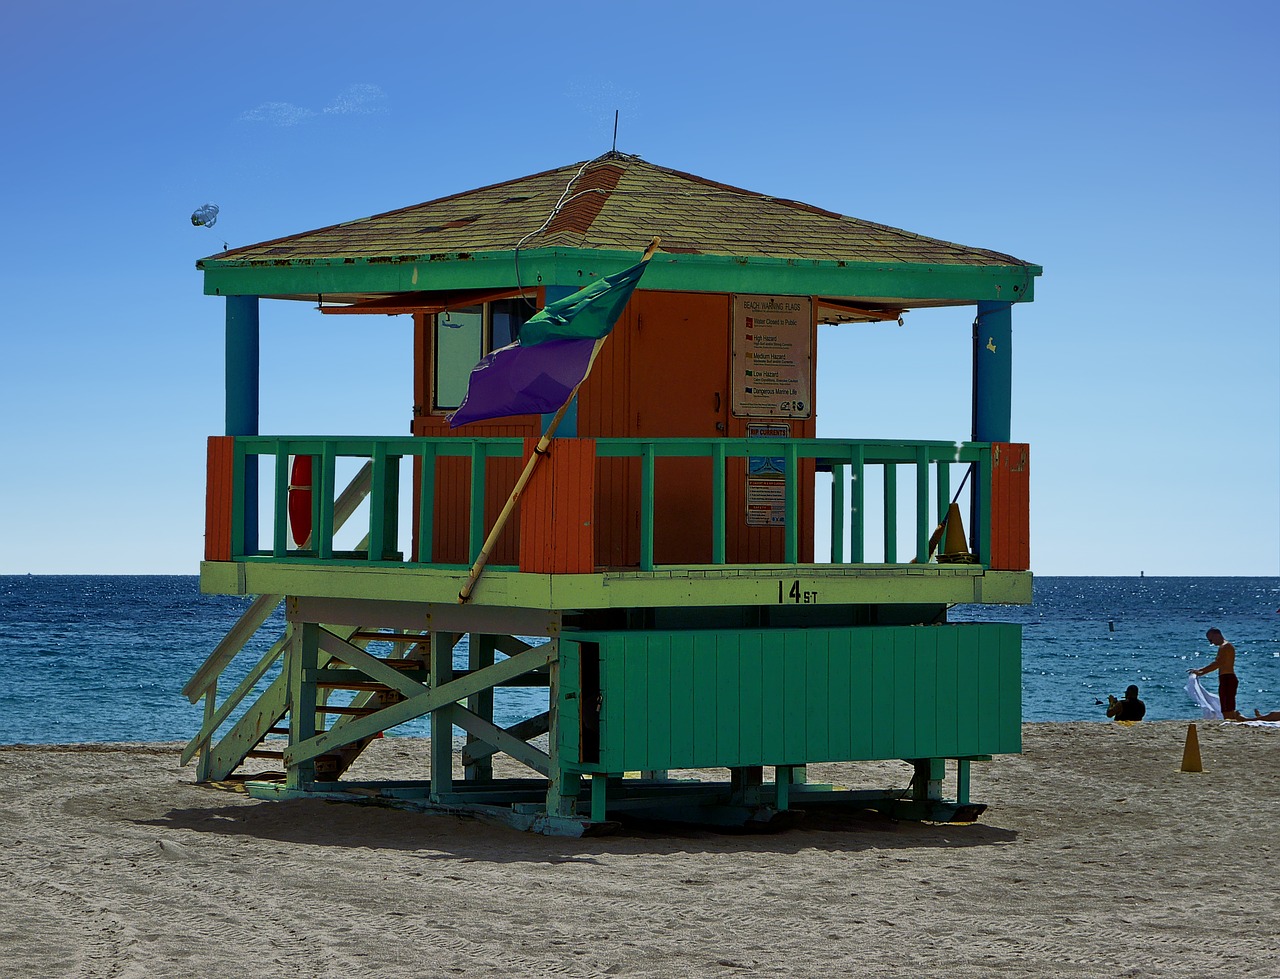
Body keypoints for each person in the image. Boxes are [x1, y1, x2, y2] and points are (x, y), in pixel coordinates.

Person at [1189, 628, 1243, 721]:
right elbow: (1218, 663)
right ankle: (1230, 720)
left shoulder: (1226, 646)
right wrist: (1200, 671)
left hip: (1228, 678)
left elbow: (1218, 663)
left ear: (1216, 635)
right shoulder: (1223, 647)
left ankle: (1231, 720)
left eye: (1211, 639)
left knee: (1227, 706)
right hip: (1225, 678)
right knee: (1225, 705)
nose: (1211, 643)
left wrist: (1201, 672)